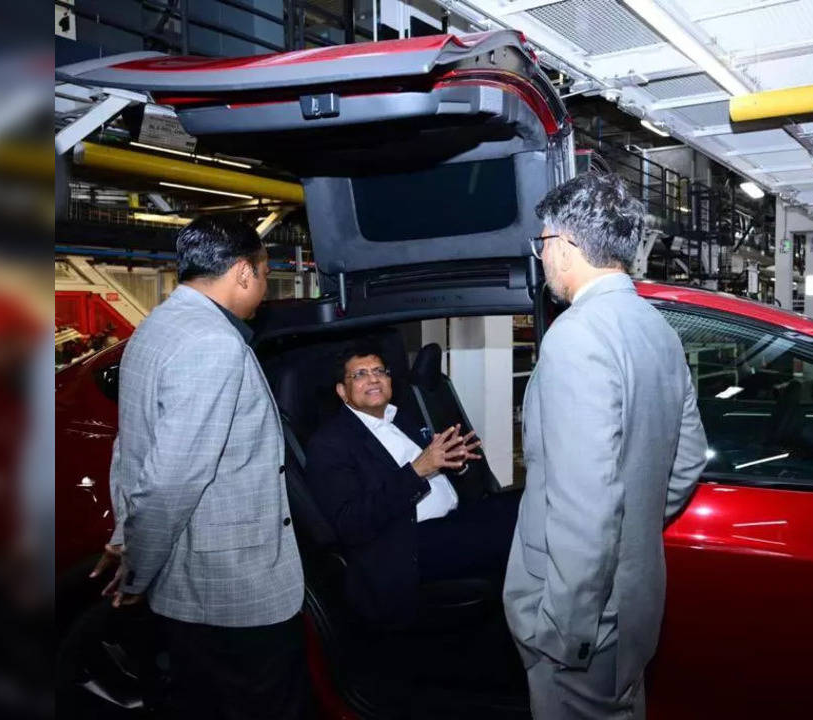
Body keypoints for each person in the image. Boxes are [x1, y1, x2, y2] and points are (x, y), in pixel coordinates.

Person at [504, 172, 709, 719]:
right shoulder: (657, 328)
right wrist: (632, 530)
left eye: (543, 243)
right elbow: (686, 461)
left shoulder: (575, 336)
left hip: (584, 621)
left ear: (567, 246)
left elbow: (586, 507)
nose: (542, 257)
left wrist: (562, 633)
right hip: (634, 605)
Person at [91, 216, 307, 719]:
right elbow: (171, 480)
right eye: (265, 272)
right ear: (243, 273)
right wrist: (137, 573)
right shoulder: (214, 344)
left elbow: (132, 446)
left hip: (190, 588)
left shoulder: (157, 326)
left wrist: (127, 534)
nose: (263, 289)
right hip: (233, 589)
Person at [304, 344, 519, 626]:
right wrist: (417, 471)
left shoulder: (401, 419)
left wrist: (458, 464)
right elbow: (351, 523)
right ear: (342, 392)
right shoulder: (330, 444)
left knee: (529, 503)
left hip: (452, 520)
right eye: (359, 374)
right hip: (406, 546)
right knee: (519, 530)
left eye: (379, 371)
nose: (373, 378)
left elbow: (437, 474)